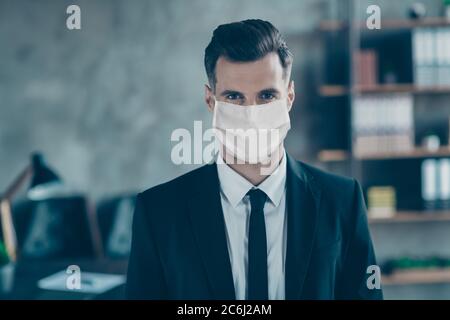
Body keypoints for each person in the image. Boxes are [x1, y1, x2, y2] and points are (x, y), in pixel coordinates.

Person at [126, 19, 383, 300]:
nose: (251, 114)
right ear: (211, 101)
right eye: (234, 97)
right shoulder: (159, 212)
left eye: (266, 96)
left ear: (289, 97)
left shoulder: (342, 201)